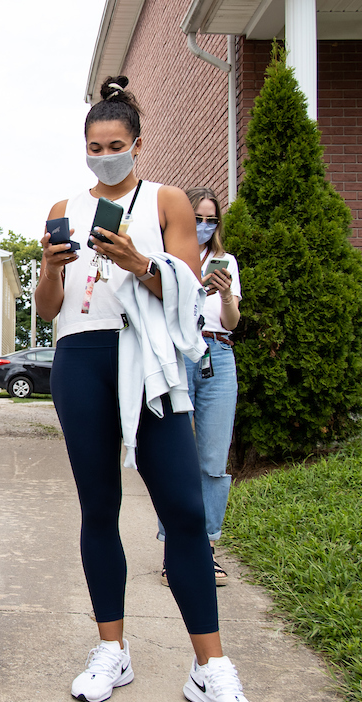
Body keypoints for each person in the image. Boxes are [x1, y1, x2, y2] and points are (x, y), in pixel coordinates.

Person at [34, 76, 259, 702]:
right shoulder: (61, 206)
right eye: (94, 146)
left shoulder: (167, 201)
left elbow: (188, 293)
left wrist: (138, 262)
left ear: (137, 144)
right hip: (80, 359)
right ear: (84, 148)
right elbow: (47, 310)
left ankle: (209, 668)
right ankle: (112, 650)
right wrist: (50, 268)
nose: (104, 155)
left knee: (185, 510)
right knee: (98, 508)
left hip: (148, 362)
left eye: (116, 144)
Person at [158, 186, 242, 587]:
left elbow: (232, 322)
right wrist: (194, 290)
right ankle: (174, 547)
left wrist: (225, 295)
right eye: (199, 217)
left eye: (212, 219)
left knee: (212, 457)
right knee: (175, 455)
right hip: (179, 353)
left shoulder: (227, 262)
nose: (206, 225)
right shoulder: (168, 258)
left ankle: (206, 548)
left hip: (219, 353)